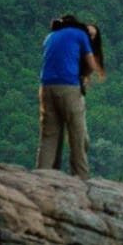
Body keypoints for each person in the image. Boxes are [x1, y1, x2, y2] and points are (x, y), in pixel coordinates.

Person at [36, 13, 105, 179]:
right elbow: (91, 65)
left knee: (49, 136)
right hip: (68, 87)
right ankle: (81, 177)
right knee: (77, 135)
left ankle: (42, 176)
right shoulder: (79, 35)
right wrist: (83, 74)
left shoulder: (50, 36)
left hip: (46, 87)